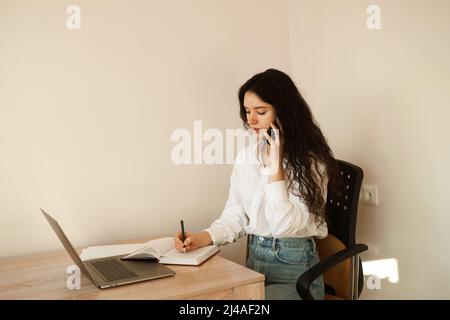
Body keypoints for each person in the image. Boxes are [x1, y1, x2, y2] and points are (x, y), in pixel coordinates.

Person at [173, 68, 340, 300]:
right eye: (247, 111)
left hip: (297, 273)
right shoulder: (246, 157)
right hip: (254, 264)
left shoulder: (312, 163)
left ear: (284, 113)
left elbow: (283, 226)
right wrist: (200, 238)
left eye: (260, 111)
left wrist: (276, 168)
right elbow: (236, 214)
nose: (250, 120)